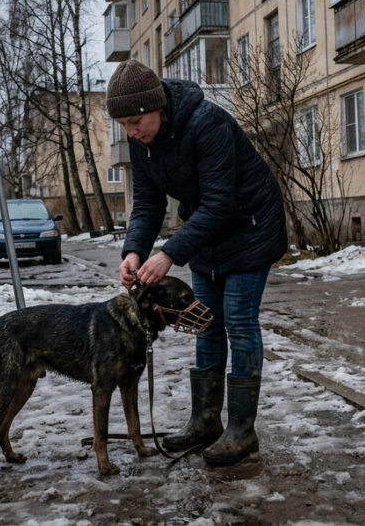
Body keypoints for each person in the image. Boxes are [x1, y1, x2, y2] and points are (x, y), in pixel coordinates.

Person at [107, 60, 287, 466]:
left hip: (250, 226)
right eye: (123, 125)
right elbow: (148, 203)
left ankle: (241, 430)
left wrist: (170, 254)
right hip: (206, 232)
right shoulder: (141, 142)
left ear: (157, 107)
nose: (132, 131)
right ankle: (205, 421)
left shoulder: (208, 123)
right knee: (204, 321)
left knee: (238, 321)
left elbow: (219, 202)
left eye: (136, 121)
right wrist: (134, 251)